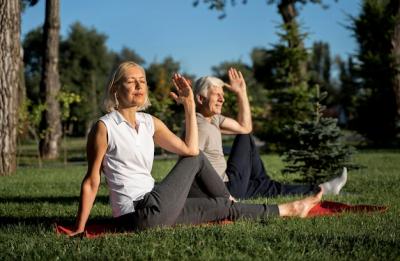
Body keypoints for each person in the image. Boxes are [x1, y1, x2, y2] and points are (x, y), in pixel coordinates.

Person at [68, 62, 322, 236]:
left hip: (157, 209)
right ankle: (230, 197)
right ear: (115, 89)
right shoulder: (105, 126)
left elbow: (188, 148)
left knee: (223, 208)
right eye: (131, 81)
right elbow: (92, 181)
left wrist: (189, 105)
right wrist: (80, 228)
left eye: (142, 81)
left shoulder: (150, 122)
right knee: (201, 164)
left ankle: (290, 209)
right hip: (136, 213)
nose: (139, 86)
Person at [192, 68, 348, 200]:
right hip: (226, 189)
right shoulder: (198, 127)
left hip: (229, 187)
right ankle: (263, 182)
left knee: (270, 187)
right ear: (200, 98)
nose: (222, 99)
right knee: (244, 137)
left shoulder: (213, 119)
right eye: (216, 95)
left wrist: (241, 92)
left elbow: (245, 126)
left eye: (222, 95)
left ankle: (323, 189)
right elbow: (190, 165)